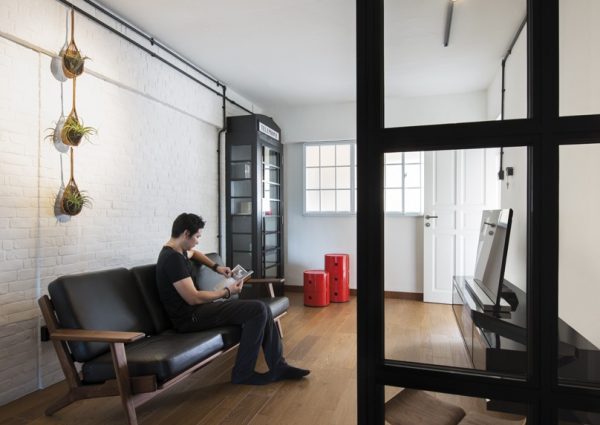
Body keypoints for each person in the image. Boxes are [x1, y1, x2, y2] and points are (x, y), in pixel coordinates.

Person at [156, 212, 310, 385]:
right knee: (258, 310)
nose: (198, 241)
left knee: (263, 309)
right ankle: (243, 373)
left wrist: (216, 267)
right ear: (186, 234)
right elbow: (194, 298)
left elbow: (195, 253)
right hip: (189, 317)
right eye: (197, 236)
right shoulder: (172, 260)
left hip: (198, 312)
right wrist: (227, 292)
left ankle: (278, 366)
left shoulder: (180, 250)